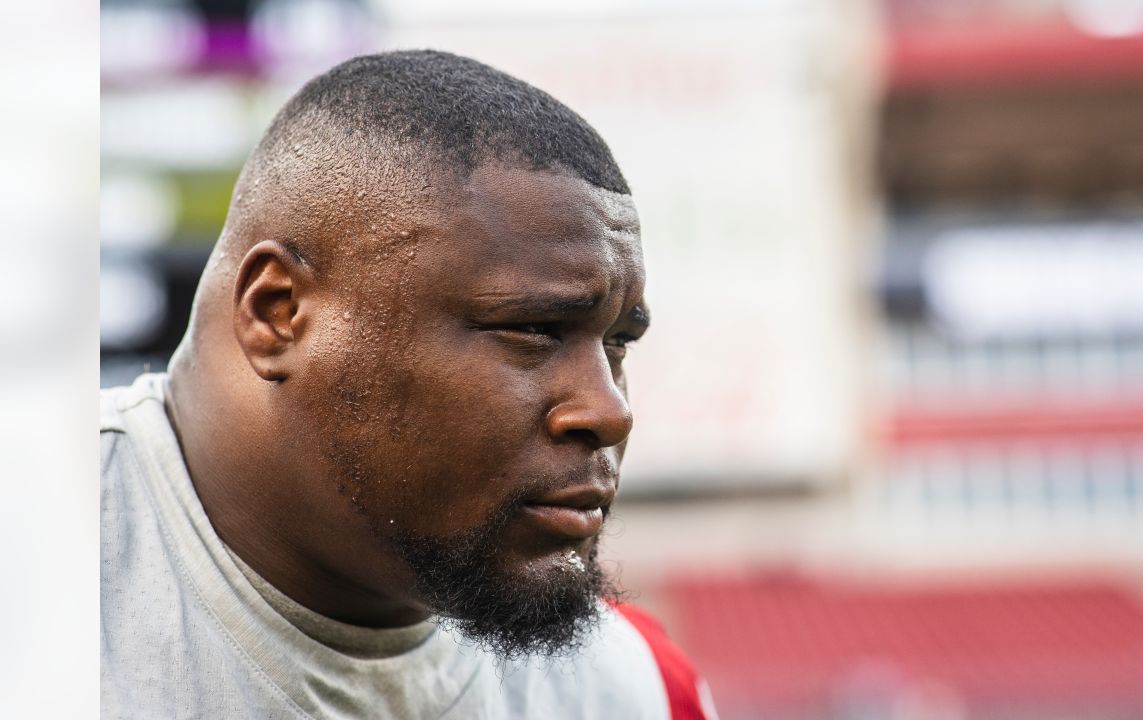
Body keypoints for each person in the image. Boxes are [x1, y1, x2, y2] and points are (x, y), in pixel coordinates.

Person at [101, 49, 717, 719]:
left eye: (618, 343)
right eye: (535, 330)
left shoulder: (636, 693)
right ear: (278, 314)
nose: (609, 411)